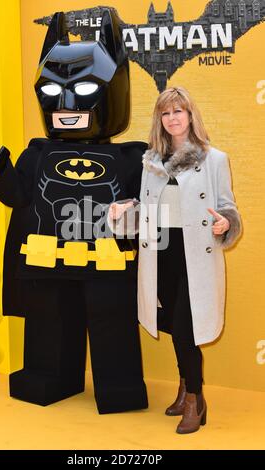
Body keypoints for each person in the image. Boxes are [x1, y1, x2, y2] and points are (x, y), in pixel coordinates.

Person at [0, 9, 148, 414]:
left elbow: (149, 212)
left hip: (106, 264)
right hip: (46, 262)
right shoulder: (37, 152)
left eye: (85, 91)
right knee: (48, 328)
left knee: (112, 330)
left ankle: (118, 387)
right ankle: (47, 377)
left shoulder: (130, 158)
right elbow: (18, 197)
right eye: (52, 94)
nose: (67, 103)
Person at [109, 86, 241, 433]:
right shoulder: (150, 162)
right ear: (160, 119)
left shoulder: (215, 159)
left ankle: (195, 399)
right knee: (169, 321)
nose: (172, 119)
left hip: (195, 251)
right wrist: (125, 211)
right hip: (159, 250)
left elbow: (227, 207)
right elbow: (145, 211)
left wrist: (227, 223)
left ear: (190, 115)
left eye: (178, 111)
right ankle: (186, 383)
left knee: (184, 326)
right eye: (166, 113)